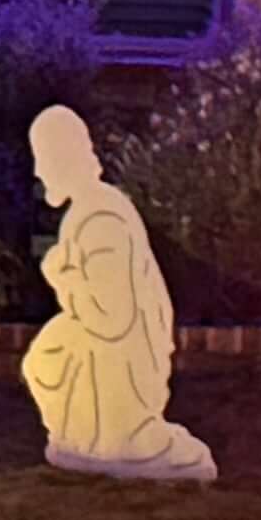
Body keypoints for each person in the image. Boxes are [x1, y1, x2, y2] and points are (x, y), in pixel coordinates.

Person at [21, 105, 215, 482]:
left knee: (49, 358)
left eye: (43, 160)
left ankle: (122, 434)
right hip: (99, 337)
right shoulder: (86, 211)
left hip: (123, 352)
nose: (38, 173)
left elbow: (112, 318)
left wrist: (62, 276)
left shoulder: (102, 218)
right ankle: (84, 437)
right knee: (42, 360)